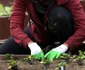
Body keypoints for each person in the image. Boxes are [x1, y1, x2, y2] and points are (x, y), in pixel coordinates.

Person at [0, 0, 85, 62]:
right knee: (2, 52)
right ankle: (46, 47)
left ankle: (61, 50)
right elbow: (15, 27)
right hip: (38, 33)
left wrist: (65, 46)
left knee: (59, 15)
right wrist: (30, 44)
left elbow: (82, 27)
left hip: (61, 35)